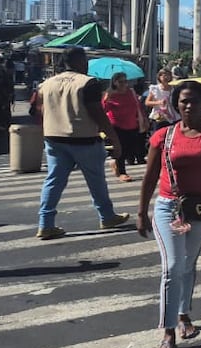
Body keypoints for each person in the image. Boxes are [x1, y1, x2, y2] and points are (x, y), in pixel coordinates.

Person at [137, 80, 201, 348]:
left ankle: (183, 314)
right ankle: (168, 333)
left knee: (188, 264)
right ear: (175, 104)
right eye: (183, 101)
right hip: (170, 208)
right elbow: (149, 177)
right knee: (173, 267)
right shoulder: (164, 137)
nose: (188, 106)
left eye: (193, 101)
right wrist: (142, 212)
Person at [35, 47, 131, 240]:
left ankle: (45, 223)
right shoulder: (88, 83)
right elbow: (98, 113)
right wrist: (113, 138)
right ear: (79, 62)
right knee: (96, 180)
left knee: (54, 181)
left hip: (54, 138)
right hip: (84, 139)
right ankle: (107, 216)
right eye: (85, 60)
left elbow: (39, 109)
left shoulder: (47, 84)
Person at [102, 72, 146, 182]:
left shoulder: (130, 92)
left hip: (132, 124)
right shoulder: (110, 94)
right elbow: (103, 110)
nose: (124, 84)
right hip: (117, 125)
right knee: (121, 149)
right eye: (121, 82)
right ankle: (122, 172)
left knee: (131, 148)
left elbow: (137, 106)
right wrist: (106, 99)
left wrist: (143, 119)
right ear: (114, 82)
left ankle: (114, 162)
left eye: (125, 81)